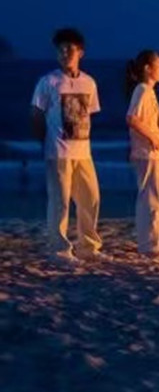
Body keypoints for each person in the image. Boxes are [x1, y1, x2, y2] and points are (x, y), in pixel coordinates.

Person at [30, 28, 104, 262]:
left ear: (80, 52)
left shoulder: (89, 82)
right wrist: (45, 142)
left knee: (90, 199)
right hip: (58, 151)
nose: (64, 54)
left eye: (69, 49)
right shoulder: (48, 81)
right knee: (60, 202)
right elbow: (36, 113)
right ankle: (59, 249)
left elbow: (89, 114)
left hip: (83, 151)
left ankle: (89, 247)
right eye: (60, 50)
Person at [125, 49, 159, 257]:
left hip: (155, 155)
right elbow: (132, 118)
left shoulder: (149, 91)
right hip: (146, 154)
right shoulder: (142, 90)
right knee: (151, 199)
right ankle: (149, 244)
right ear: (148, 68)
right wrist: (152, 137)